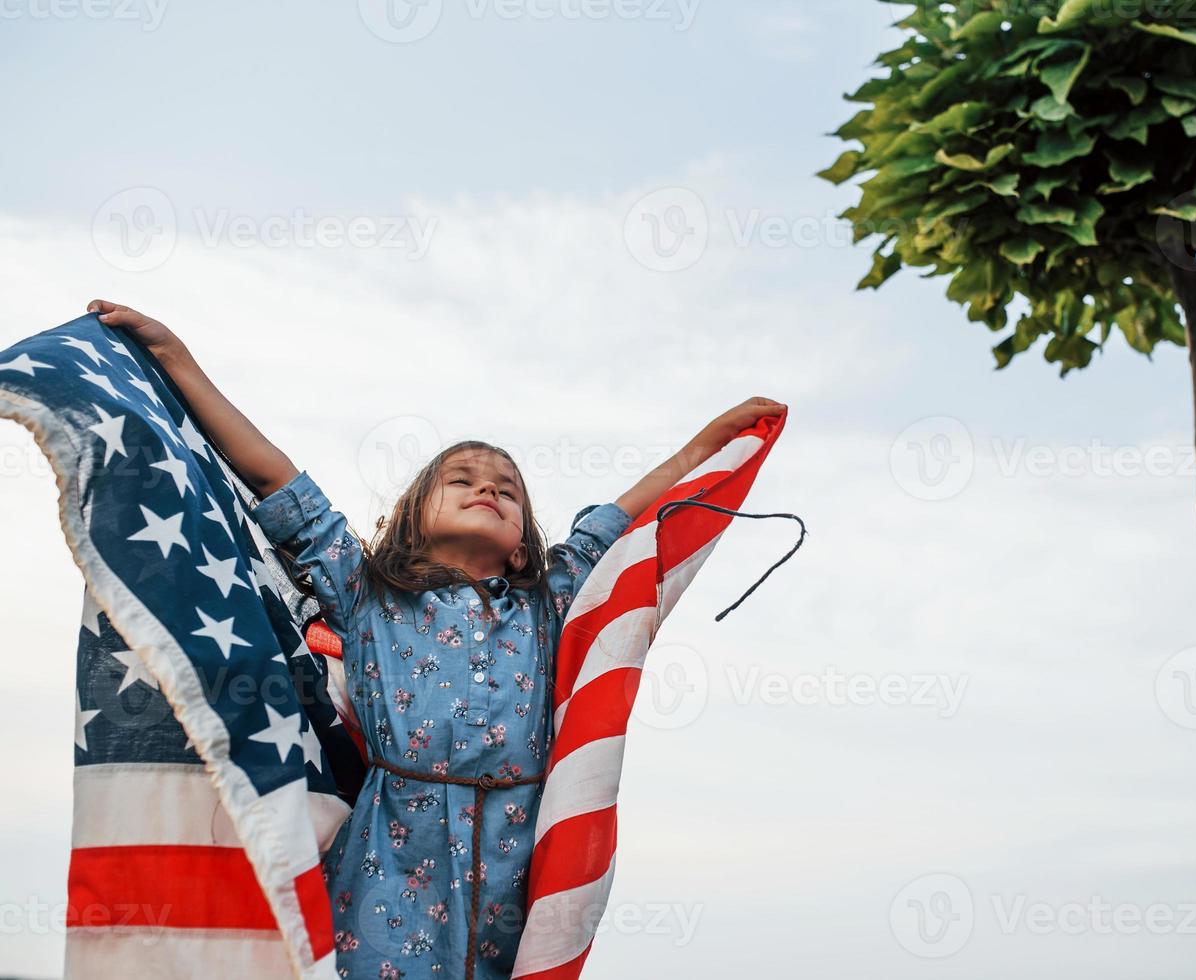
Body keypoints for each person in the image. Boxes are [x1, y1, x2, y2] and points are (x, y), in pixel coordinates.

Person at [83, 299, 786, 980]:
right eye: (462, 480)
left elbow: (628, 514)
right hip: (388, 857)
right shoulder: (364, 590)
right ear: (415, 519)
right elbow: (274, 475)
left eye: (507, 489)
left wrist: (705, 446)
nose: (489, 489)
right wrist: (177, 359)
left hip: (515, 863)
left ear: (520, 548)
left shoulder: (551, 599)